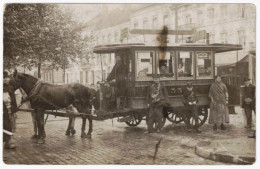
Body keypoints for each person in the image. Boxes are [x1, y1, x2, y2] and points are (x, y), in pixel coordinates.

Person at [3, 71, 18, 149]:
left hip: (10, 110)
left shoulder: (11, 88)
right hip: (2, 112)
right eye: (3, 78)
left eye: (6, 77)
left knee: (12, 125)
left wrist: (15, 111)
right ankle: (9, 141)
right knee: (5, 126)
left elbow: (14, 100)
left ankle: (8, 142)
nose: (5, 79)